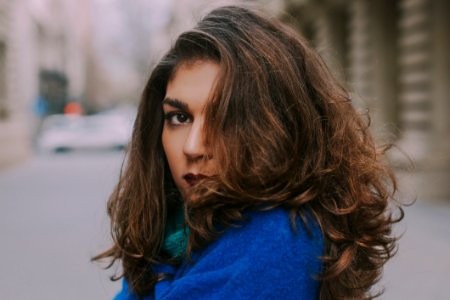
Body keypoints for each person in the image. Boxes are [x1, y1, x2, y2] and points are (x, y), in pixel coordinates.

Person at [94, 5, 403, 300]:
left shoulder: (277, 236)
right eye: (180, 117)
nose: (193, 147)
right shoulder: (180, 227)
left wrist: (155, 266)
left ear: (281, 126)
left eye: (225, 119)